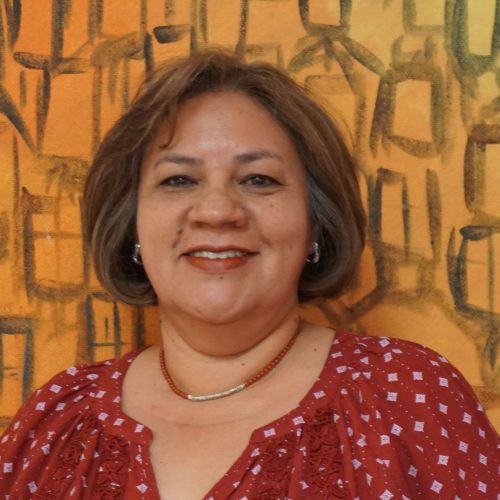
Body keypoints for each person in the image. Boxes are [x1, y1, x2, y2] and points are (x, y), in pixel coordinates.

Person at [0, 50, 498, 499]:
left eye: (259, 179)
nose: (217, 212)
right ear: (131, 223)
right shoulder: (56, 421)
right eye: (178, 180)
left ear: (315, 223)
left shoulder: (408, 395)